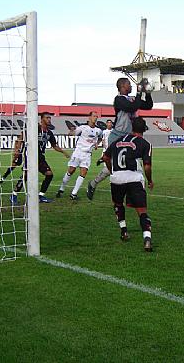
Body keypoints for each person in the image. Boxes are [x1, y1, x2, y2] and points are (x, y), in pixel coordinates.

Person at [86, 77, 153, 200]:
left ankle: (134, 193)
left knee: (129, 166)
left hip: (129, 138)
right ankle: (95, 183)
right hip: (117, 137)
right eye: (129, 84)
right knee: (115, 167)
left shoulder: (131, 99)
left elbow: (148, 106)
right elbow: (132, 107)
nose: (131, 86)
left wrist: (147, 93)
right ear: (122, 86)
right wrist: (139, 92)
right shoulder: (118, 100)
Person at [102, 117, 154, 252]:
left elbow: (106, 157)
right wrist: (150, 180)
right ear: (144, 129)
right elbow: (147, 166)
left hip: (117, 179)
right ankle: (147, 239)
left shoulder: (118, 141)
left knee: (118, 205)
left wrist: (111, 169)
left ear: (131, 128)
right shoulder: (145, 143)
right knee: (142, 210)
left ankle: (124, 231)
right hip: (134, 179)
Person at [10, 113, 70, 205]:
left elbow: (54, 145)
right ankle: (14, 194)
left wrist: (63, 152)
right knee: (26, 175)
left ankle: (40, 196)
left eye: (50, 118)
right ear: (41, 119)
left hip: (41, 157)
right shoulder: (34, 129)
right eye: (47, 118)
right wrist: (17, 151)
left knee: (49, 174)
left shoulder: (49, 133)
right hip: (30, 155)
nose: (49, 120)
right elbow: (21, 138)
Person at [56, 111, 102, 200]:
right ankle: (61, 188)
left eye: (96, 116)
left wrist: (97, 143)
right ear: (89, 117)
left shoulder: (98, 130)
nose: (95, 118)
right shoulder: (82, 127)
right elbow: (74, 133)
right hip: (78, 152)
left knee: (83, 173)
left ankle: (74, 194)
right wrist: (71, 132)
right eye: (93, 116)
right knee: (71, 171)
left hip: (87, 155)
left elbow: (100, 138)